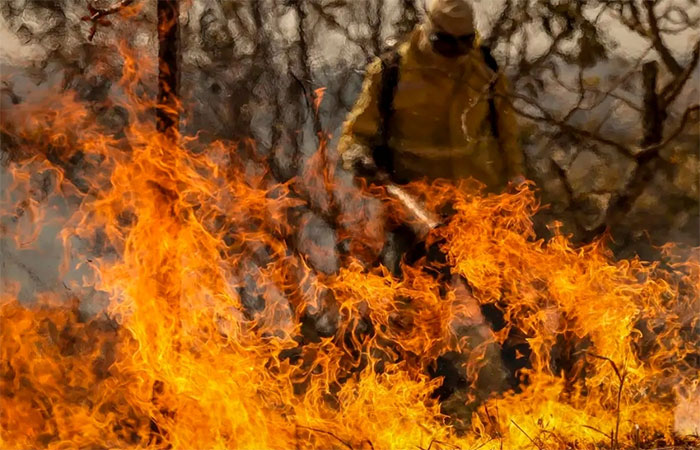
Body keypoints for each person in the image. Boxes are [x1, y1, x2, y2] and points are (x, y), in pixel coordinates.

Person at [338, 0, 527, 430]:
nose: (456, 50)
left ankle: (530, 406)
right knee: (422, 321)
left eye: (464, 41)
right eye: (447, 41)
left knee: (507, 315)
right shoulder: (392, 72)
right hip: (415, 218)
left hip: (478, 212)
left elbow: (507, 134)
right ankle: (431, 415)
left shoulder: (485, 68)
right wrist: (362, 160)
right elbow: (355, 136)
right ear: (429, 32)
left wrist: (517, 187)